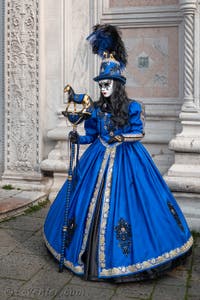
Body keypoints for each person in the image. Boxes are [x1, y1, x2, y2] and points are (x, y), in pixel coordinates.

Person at [43, 24, 193, 282]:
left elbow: (139, 132)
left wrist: (121, 136)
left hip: (128, 160)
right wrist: (77, 137)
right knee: (83, 204)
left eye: (107, 84)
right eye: (101, 84)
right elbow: (91, 135)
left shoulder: (133, 107)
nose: (103, 88)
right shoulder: (97, 110)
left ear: (117, 84)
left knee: (135, 206)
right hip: (97, 157)